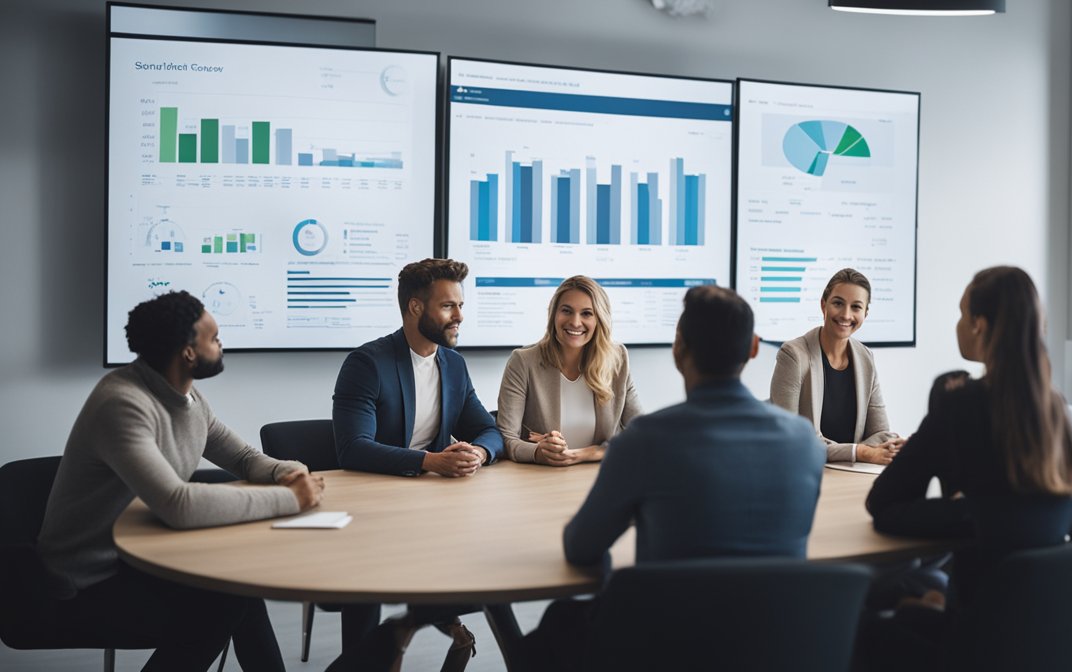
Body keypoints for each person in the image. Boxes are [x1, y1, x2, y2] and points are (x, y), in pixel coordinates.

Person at [525, 285, 825, 671]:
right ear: (753, 347)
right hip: (777, 642)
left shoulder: (645, 441)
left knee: (557, 624)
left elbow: (580, 547)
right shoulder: (805, 443)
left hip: (666, 647)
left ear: (677, 349)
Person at [37, 291, 324, 671]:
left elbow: (241, 457)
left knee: (239, 585)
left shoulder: (188, 398)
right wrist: (292, 500)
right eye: (214, 337)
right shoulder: (122, 403)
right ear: (188, 353)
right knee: (224, 605)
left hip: (145, 557)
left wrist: (287, 472)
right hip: (88, 581)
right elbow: (178, 505)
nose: (222, 344)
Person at [863, 267, 1072, 670]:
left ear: (980, 325)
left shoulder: (962, 403)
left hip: (975, 643)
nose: (959, 324)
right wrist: (976, 512)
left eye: (962, 314)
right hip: (1041, 636)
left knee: (859, 624)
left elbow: (884, 503)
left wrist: (968, 514)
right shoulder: (1056, 409)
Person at [330, 258, 503, 668]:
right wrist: (430, 461)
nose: (460, 316)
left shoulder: (453, 364)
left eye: (460, 305)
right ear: (414, 308)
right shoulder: (367, 364)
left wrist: (478, 452)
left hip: (434, 512)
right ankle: (374, 649)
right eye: (448, 306)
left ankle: (421, 624)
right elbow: (352, 448)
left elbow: (488, 428)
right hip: (371, 513)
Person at [495, 276, 641, 465]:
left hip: (600, 475)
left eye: (587, 313)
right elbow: (506, 437)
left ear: (600, 319)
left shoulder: (617, 358)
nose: (575, 322)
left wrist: (589, 453)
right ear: (554, 314)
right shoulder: (523, 361)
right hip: (539, 480)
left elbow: (641, 431)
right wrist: (538, 452)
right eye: (566, 311)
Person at [770, 268, 903, 465]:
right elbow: (793, 440)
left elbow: (881, 433)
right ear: (823, 305)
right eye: (838, 303)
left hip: (852, 472)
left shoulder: (865, 357)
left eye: (856, 307)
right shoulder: (794, 355)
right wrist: (861, 451)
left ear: (865, 313)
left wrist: (891, 446)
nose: (846, 315)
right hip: (804, 470)